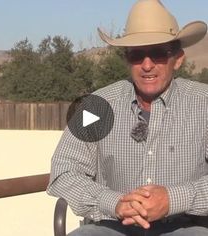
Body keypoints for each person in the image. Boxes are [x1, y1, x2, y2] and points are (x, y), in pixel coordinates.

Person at [47, 0, 208, 235]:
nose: (147, 65)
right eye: (136, 54)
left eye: (158, 53)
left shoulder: (203, 103)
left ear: (178, 58)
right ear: (126, 58)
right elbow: (63, 170)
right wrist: (114, 203)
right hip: (113, 226)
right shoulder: (97, 106)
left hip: (186, 225)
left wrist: (173, 200)